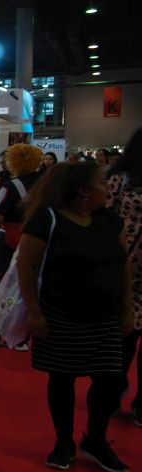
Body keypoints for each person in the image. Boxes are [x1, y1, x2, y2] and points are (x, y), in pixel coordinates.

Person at [18, 162, 130, 472]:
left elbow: (123, 267)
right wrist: (34, 311)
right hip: (61, 312)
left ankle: (96, 438)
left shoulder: (110, 221)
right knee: (62, 378)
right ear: (83, 190)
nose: (107, 188)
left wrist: (126, 309)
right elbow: (26, 266)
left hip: (105, 314)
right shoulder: (47, 219)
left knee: (109, 380)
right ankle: (64, 441)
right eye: (101, 183)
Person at [0, 144, 44, 349]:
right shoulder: (45, 185)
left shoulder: (11, 186)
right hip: (37, 241)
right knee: (28, 287)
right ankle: (21, 337)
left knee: (3, 286)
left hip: (10, 239)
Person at [107, 128, 142, 426]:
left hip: (127, 262)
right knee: (122, 336)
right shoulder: (121, 180)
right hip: (123, 267)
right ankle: (114, 389)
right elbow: (104, 217)